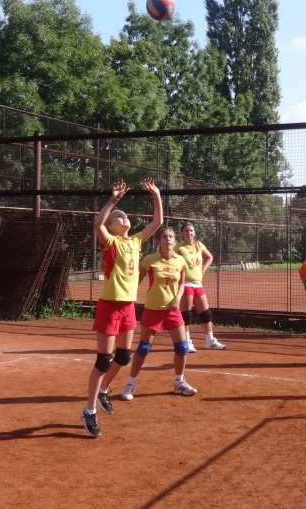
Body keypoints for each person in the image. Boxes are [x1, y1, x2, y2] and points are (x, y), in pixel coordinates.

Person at [81, 178, 163, 438]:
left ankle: (104, 391)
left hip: (127, 306)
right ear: (112, 226)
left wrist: (156, 195)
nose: (124, 216)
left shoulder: (135, 242)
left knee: (124, 356)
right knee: (103, 360)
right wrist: (113, 201)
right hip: (109, 306)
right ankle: (89, 410)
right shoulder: (111, 242)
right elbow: (97, 224)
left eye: (125, 214)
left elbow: (157, 222)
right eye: (119, 216)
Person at [120, 226, 197, 401]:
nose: (168, 239)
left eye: (171, 237)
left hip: (173, 310)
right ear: (158, 241)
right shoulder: (150, 260)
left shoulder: (180, 261)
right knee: (143, 348)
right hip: (153, 309)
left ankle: (179, 383)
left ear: (175, 242)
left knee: (182, 347)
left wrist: (177, 298)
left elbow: (182, 283)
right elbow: (135, 280)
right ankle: (130, 384)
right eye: (164, 237)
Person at [175, 221, 225, 351]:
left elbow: (210, 257)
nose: (189, 233)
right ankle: (187, 342)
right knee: (186, 315)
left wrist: (203, 269)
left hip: (198, 283)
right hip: (185, 283)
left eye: (191, 230)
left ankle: (210, 341)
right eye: (186, 231)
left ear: (194, 232)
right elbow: (172, 260)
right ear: (182, 233)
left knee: (206, 314)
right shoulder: (179, 247)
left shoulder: (199, 245)